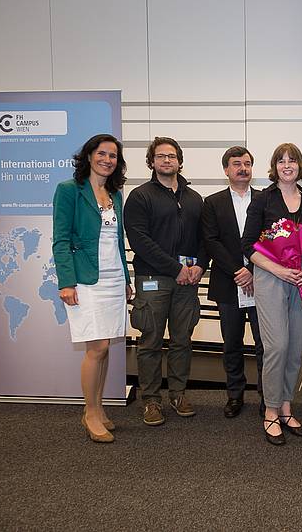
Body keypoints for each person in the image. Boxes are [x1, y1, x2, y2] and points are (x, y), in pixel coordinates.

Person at [52, 133, 132, 443]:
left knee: (106, 345)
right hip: (86, 279)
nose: (107, 160)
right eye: (102, 153)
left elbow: (116, 242)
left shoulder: (116, 195)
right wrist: (66, 282)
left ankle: (99, 409)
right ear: (88, 156)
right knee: (95, 347)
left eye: (113, 156)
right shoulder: (69, 191)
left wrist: (125, 279)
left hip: (113, 278)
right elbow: (60, 239)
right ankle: (88, 412)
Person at [124, 137, 207, 426]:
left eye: (172, 156)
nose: (167, 161)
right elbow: (140, 241)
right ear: (152, 162)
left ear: (180, 161)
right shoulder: (140, 196)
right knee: (150, 342)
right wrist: (175, 268)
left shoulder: (195, 199)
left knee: (182, 340)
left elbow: (205, 239)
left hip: (188, 281)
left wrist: (201, 266)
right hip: (153, 279)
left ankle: (178, 394)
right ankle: (150, 400)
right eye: (161, 156)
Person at [241, 143, 302, 446]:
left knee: (296, 345)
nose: (287, 165)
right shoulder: (262, 200)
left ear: (300, 165)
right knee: (276, 346)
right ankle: (270, 410)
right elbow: (248, 246)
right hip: (271, 275)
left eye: (292, 160)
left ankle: (287, 407)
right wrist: (277, 270)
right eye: (281, 161)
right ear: (275, 166)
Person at [202, 146, 265, 419]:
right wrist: (239, 270)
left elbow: (272, 239)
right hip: (228, 283)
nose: (243, 168)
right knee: (232, 344)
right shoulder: (212, 202)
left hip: (262, 281)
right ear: (226, 170)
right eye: (237, 163)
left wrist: (252, 269)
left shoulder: (265, 200)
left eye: (248, 163)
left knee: (265, 345)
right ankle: (235, 395)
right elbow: (211, 241)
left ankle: (268, 396)